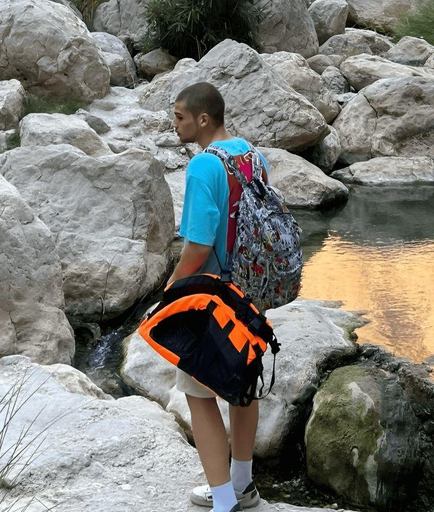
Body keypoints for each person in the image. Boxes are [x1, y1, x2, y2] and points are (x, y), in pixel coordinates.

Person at [169, 82, 269, 512]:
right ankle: (244, 487)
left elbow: (197, 246)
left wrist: (171, 290)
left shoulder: (202, 168)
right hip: (253, 288)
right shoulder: (253, 155)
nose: (174, 125)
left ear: (202, 120)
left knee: (199, 392)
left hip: (214, 295)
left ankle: (224, 501)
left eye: (179, 117)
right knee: (242, 385)